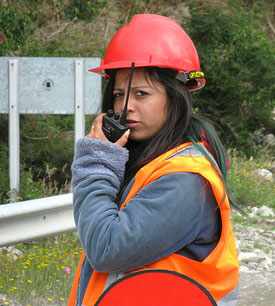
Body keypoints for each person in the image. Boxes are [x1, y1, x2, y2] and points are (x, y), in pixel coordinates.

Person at [69, 14, 239, 306]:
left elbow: (106, 248)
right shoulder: (149, 165)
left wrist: (97, 163)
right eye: (119, 94)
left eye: (141, 93)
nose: (125, 108)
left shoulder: (185, 180)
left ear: (175, 98)